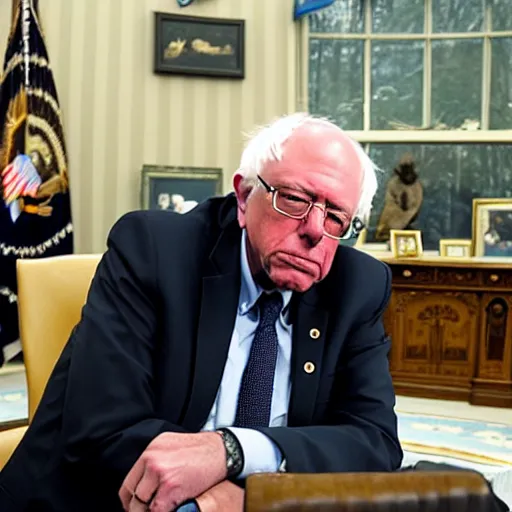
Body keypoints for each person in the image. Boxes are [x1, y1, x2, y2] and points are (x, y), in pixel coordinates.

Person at [0, 113, 403, 512]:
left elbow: (375, 442)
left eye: (336, 217)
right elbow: (100, 430)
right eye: (295, 199)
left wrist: (234, 458)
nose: (316, 230)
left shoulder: (358, 287)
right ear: (244, 198)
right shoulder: (153, 251)